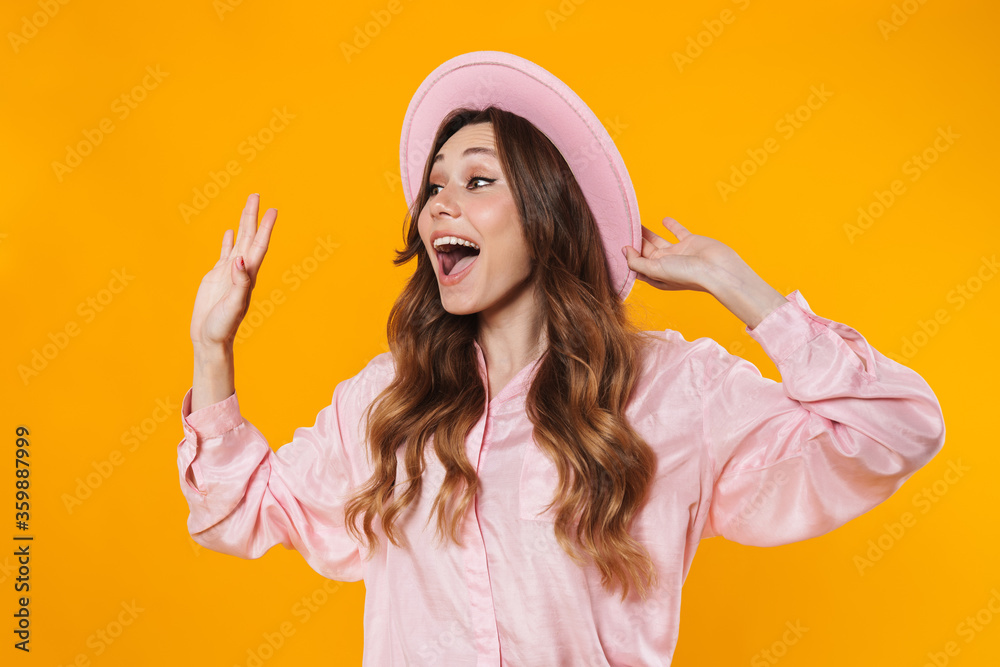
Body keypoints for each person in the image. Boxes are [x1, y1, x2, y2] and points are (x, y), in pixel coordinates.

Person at [177, 51, 946, 666]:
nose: (439, 203)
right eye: (434, 185)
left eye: (478, 180)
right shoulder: (390, 402)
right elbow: (236, 510)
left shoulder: (671, 393)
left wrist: (742, 289)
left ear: (548, 214)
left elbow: (895, 427)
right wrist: (212, 348)